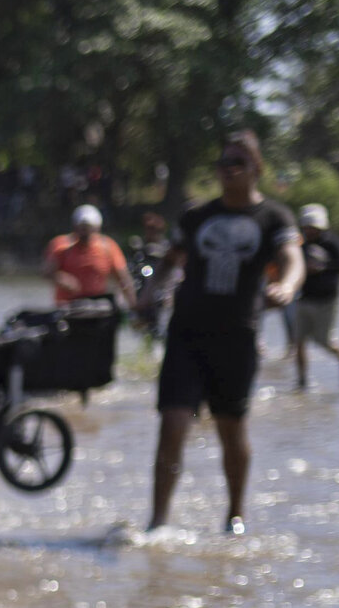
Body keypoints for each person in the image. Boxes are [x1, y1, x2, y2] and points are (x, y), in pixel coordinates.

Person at [147, 131, 302, 534]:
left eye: (238, 162)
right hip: (187, 334)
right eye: (223, 163)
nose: (228, 170)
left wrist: (286, 285)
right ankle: (158, 522)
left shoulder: (273, 217)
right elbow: (169, 261)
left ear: (257, 169)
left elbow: (292, 257)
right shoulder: (198, 216)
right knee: (173, 423)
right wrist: (148, 295)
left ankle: (235, 515)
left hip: (237, 336)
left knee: (230, 428)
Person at [291, 203, 339, 390]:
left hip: (326, 299)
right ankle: (302, 380)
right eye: (306, 227)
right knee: (298, 340)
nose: (309, 230)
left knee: (323, 340)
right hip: (304, 298)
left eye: (313, 227)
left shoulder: (332, 243)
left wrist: (322, 267)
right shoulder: (300, 244)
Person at [44, 204, 133, 309]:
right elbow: (47, 272)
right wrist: (62, 279)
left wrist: (133, 304)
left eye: (89, 228)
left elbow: (123, 278)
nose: (85, 232)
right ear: (75, 227)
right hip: (68, 305)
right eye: (82, 228)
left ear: (97, 228)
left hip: (97, 304)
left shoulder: (108, 247)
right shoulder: (61, 245)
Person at [130, 209, 173, 349]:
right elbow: (133, 272)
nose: (150, 233)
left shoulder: (168, 248)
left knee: (160, 334)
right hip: (142, 296)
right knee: (140, 335)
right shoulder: (140, 249)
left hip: (161, 299)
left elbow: (174, 273)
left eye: (153, 229)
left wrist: (169, 294)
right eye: (148, 229)